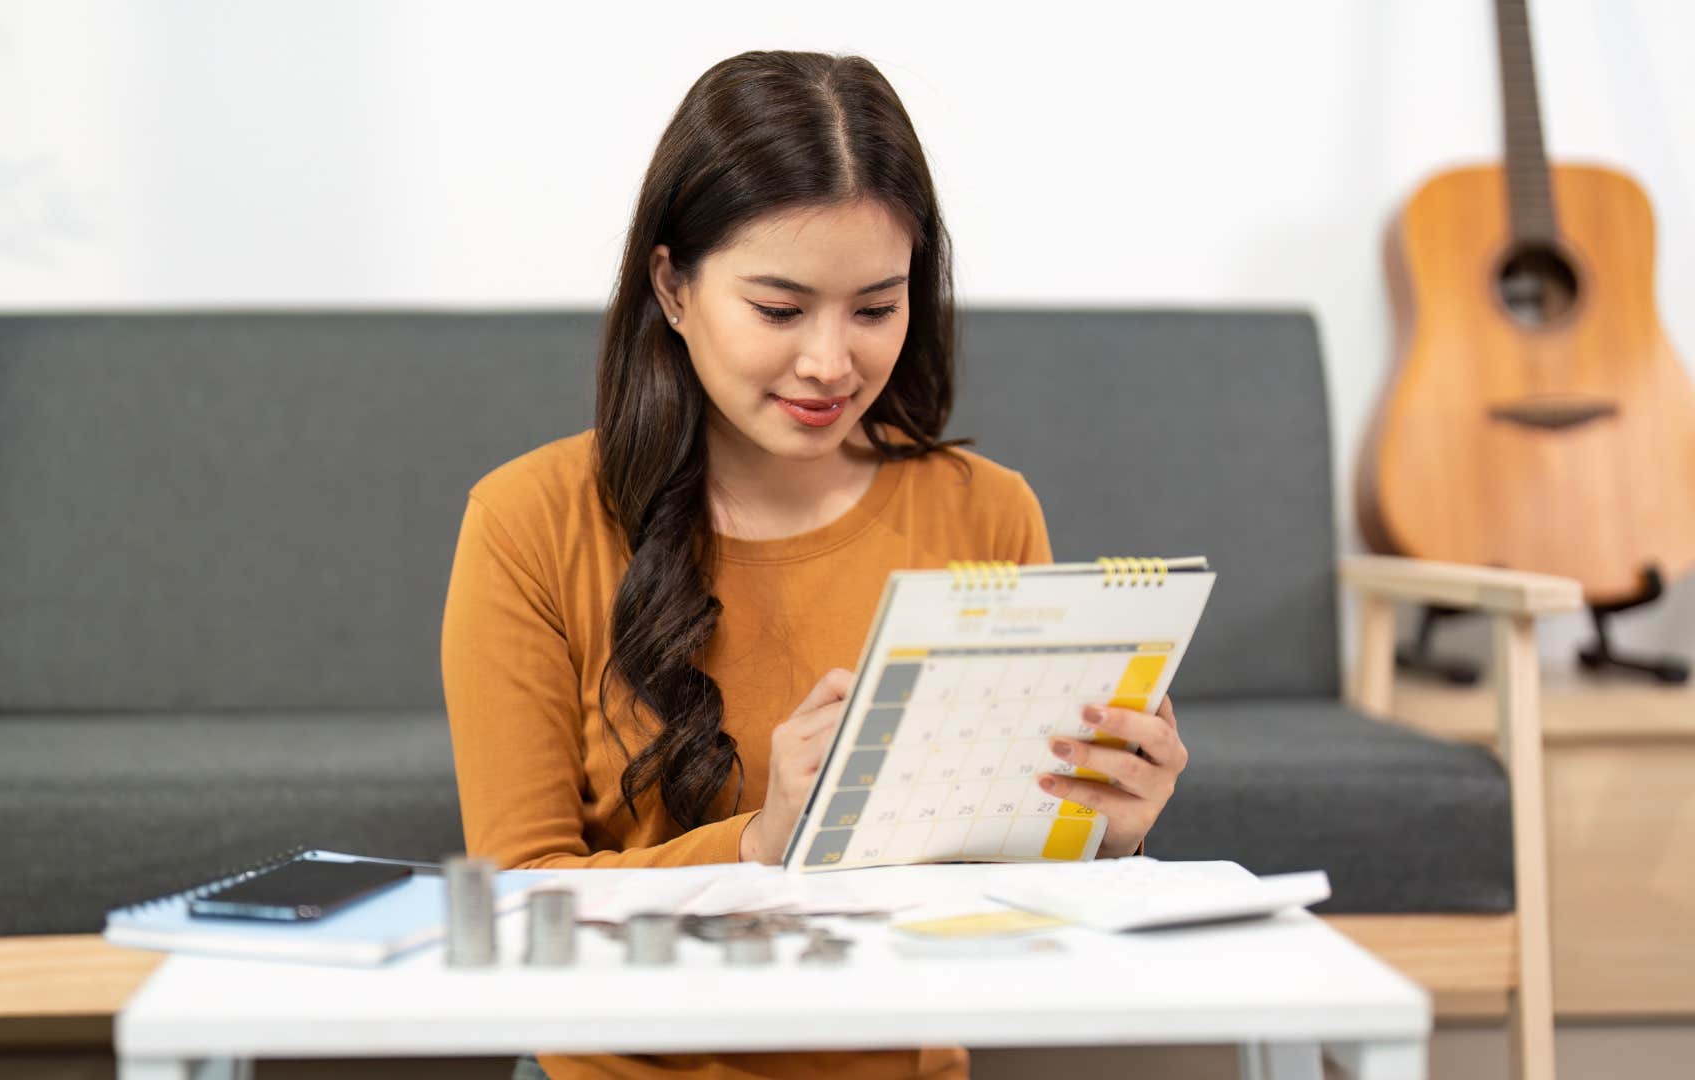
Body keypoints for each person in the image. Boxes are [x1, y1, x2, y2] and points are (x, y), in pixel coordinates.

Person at [441, 49, 1189, 1080]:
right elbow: (518, 904)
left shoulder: (986, 511)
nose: (832, 363)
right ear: (672, 285)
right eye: (780, 311)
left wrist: (1108, 841)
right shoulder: (529, 522)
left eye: (876, 309)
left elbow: (1005, 907)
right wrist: (760, 845)